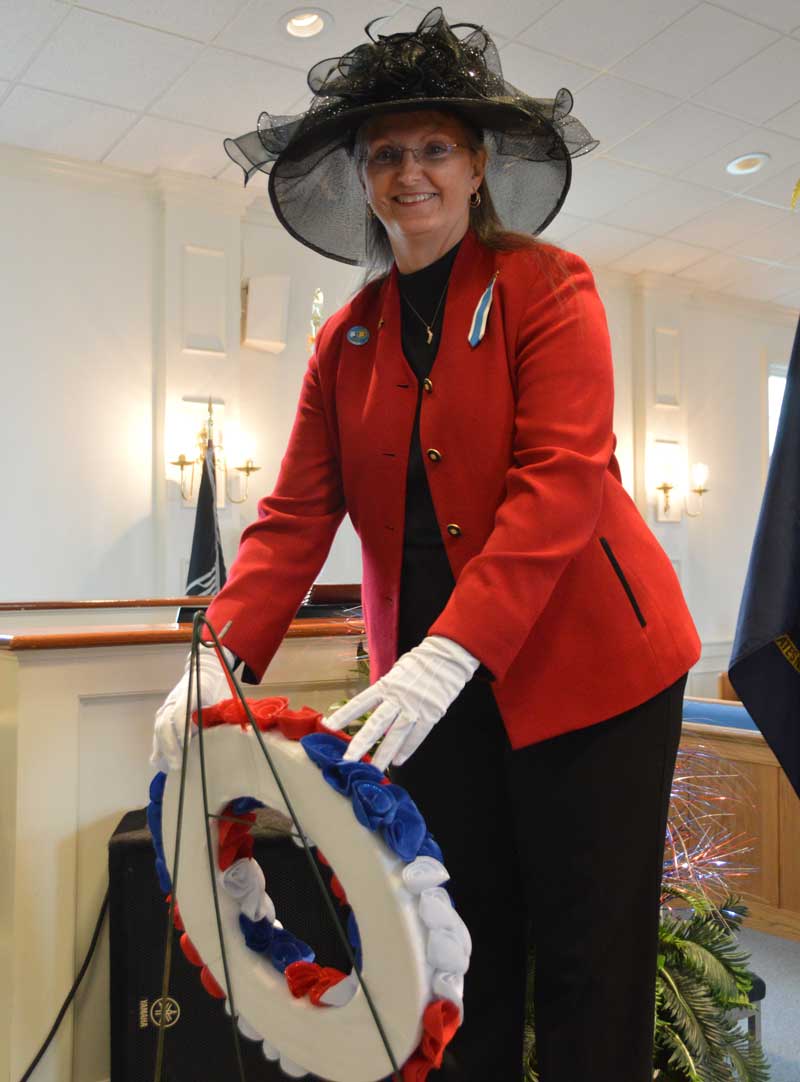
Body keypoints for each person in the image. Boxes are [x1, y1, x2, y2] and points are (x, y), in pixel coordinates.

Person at [152, 8, 701, 1080]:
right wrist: (214, 651)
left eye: (433, 147)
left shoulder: (549, 285)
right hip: (431, 697)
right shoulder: (340, 339)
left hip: (593, 675)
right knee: (458, 951)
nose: (410, 171)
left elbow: (560, 484)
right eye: (386, 153)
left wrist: (453, 648)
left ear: (476, 163)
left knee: (589, 961)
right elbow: (295, 515)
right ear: (362, 175)